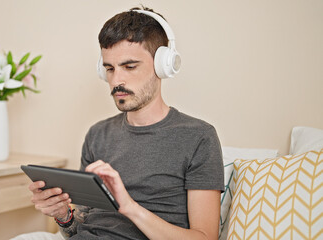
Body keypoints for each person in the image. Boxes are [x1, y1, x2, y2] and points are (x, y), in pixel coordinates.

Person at [22, 6, 224, 240]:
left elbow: (205, 238)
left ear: (162, 65)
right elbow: (79, 227)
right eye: (109, 68)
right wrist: (63, 215)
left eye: (129, 67)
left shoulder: (198, 137)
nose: (116, 80)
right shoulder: (97, 134)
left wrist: (128, 206)